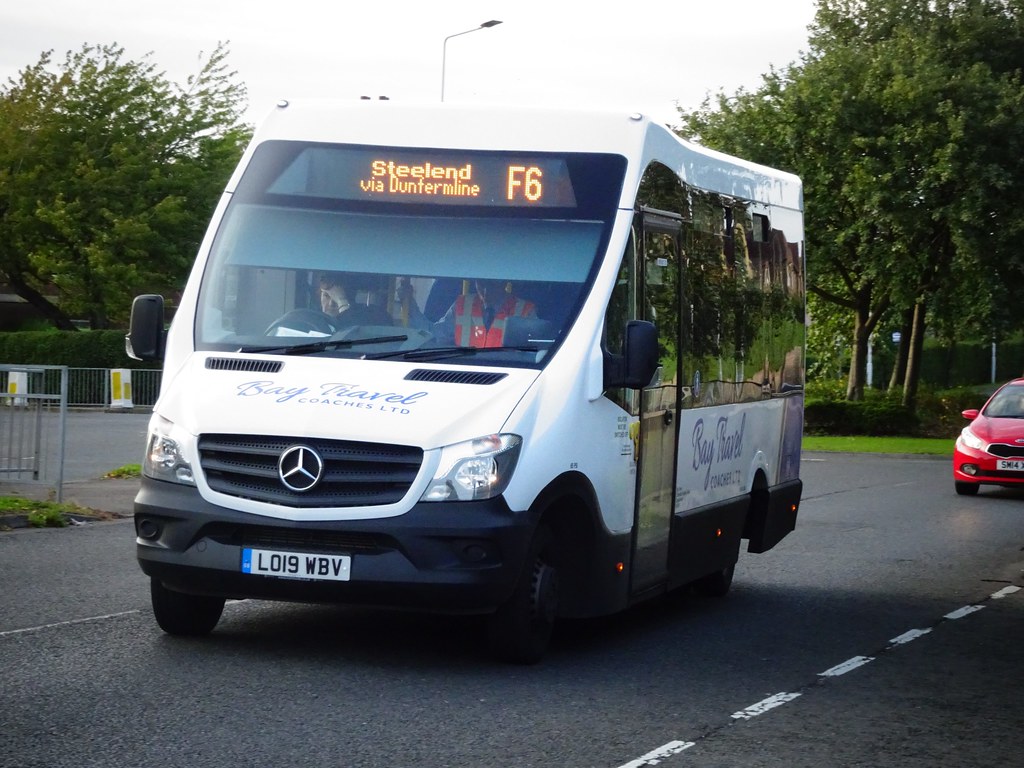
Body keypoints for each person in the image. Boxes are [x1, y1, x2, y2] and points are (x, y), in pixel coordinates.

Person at [429, 278, 537, 348]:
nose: (485, 291)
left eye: (492, 284)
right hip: (465, 370)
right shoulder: (462, 305)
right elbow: (435, 335)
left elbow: (535, 349)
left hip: (509, 370)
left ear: (504, 282)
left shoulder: (525, 310)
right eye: (481, 283)